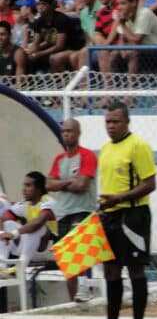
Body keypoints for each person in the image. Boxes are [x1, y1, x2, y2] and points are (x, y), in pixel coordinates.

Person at [94, 101, 157, 319]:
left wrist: (119, 198)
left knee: (135, 270)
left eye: (115, 121)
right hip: (109, 215)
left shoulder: (138, 146)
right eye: (108, 122)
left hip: (133, 216)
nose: (111, 126)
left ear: (127, 122)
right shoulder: (106, 149)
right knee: (110, 270)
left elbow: (150, 184)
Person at [46, 119, 98, 302]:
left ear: (78, 133)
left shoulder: (87, 156)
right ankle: (73, 300)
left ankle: (84, 291)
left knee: (80, 254)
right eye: (64, 131)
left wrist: (60, 184)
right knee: (67, 261)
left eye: (70, 131)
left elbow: (82, 185)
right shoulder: (59, 159)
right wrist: (68, 182)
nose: (66, 134)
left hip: (83, 210)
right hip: (63, 213)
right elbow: (48, 184)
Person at [0, 172, 57, 276]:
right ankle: (2, 266)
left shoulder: (48, 202)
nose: (24, 189)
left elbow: (38, 223)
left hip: (47, 252)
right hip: (28, 249)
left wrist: (13, 234)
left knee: (37, 228)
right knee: (7, 224)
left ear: (39, 188)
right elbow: (4, 218)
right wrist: (3, 232)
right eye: (24, 185)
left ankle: (20, 268)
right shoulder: (26, 203)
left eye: (28, 185)